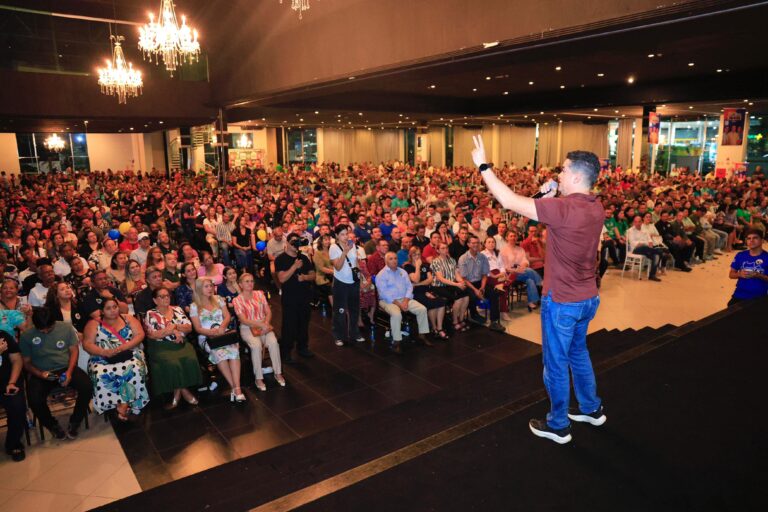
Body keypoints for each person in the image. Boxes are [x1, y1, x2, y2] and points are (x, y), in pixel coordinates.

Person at [473, 136, 606, 444]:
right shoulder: (596, 207)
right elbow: (543, 210)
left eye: (563, 170)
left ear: (574, 176)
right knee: (579, 352)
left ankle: (558, 424)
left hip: (562, 300)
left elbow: (507, 202)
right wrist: (544, 196)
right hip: (588, 296)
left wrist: (483, 165)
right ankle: (591, 408)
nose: (558, 174)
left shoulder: (562, 209)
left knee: (556, 364)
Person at [20, 307, 92, 440]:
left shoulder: (65, 328)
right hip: (41, 371)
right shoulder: (26, 336)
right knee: (34, 398)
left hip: (65, 367)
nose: (46, 332)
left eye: (49, 328)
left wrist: (69, 372)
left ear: (54, 322)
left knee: (87, 386)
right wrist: (40, 374)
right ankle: (52, 425)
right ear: (35, 325)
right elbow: (26, 363)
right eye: (42, 330)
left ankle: (75, 421)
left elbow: (74, 351)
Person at [82, 298, 149, 421]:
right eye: (108, 308)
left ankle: (124, 404)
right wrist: (105, 352)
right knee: (99, 372)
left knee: (135, 367)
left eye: (115, 307)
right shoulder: (94, 323)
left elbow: (140, 335)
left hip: (129, 352)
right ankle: (116, 403)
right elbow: (87, 344)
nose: (113, 311)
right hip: (102, 356)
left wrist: (125, 346)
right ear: (102, 311)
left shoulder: (127, 318)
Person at [144, 287, 201, 408]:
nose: (166, 298)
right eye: (162, 296)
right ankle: (183, 391)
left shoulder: (177, 309)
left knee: (190, 358)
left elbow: (189, 327)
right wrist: (173, 331)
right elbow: (154, 335)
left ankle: (178, 392)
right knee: (173, 363)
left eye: (167, 296)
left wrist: (174, 326)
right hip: (161, 346)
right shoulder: (151, 313)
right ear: (155, 300)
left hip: (181, 344)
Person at [190, 278, 245, 403]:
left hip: (223, 333)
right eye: (206, 286)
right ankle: (236, 389)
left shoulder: (219, 299)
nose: (210, 288)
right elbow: (198, 328)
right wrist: (211, 332)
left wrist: (221, 328)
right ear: (199, 289)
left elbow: (227, 316)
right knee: (220, 353)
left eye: (211, 285)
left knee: (233, 351)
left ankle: (236, 388)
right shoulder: (194, 307)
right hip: (207, 337)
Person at [233, 273, 285, 390]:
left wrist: (266, 324)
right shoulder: (237, 300)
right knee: (256, 346)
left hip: (264, 324)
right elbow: (243, 320)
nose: (250, 283)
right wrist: (261, 324)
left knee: (273, 343)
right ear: (240, 284)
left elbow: (268, 311)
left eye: (251, 281)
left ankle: (278, 373)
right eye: (247, 281)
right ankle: (258, 378)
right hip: (248, 328)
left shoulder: (259, 294)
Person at [376, 252, 433, 354]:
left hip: (404, 299)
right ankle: (397, 342)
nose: (394, 261)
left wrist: (406, 300)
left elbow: (409, 286)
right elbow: (385, 294)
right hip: (388, 301)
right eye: (391, 259)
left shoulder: (402, 271)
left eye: (395, 258)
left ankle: (422, 335)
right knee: (397, 314)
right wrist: (400, 304)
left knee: (422, 309)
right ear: (386, 261)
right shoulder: (381, 275)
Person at [275, 233, 316, 362]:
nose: (295, 244)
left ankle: (302, 347)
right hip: (290, 298)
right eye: (293, 241)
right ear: (286, 243)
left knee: (303, 323)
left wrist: (304, 277)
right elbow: (282, 278)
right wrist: (294, 267)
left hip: (304, 296)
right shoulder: (281, 259)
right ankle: (286, 352)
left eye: (297, 241)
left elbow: (313, 275)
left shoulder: (304, 257)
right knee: (289, 325)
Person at [458, 235, 505, 332]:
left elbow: (485, 274)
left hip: (480, 282)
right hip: (468, 283)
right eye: (473, 243)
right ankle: (473, 313)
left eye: (477, 243)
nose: (476, 245)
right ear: (468, 244)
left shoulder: (482, 257)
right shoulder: (463, 258)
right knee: (472, 295)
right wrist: (476, 290)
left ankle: (494, 321)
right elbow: (464, 278)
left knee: (493, 294)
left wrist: (482, 287)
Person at [329, 224, 366, 346]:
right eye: (342, 234)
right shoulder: (334, 247)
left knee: (354, 309)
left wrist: (360, 278)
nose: (346, 237)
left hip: (353, 282)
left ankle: (354, 333)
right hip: (341, 282)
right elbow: (338, 267)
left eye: (347, 233)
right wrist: (344, 252)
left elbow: (356, 262)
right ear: (337, 236)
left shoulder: (352, 244)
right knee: (339, 310)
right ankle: (338, 336)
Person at [404, 246, 448, 340]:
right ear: (410, 256)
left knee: (441, 302)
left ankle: (439, 328)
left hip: (426, 290)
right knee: (432, 303)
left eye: (419, 254)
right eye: (414, 254)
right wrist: (417, 267)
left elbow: (430, 280)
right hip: (414, 293)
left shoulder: (425, 265)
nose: (417, 257)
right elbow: (415, 279)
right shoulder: (407, 266)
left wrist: (418, 284)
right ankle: (434, 328)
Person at [0, 329, 26, 461]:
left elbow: (17, 360)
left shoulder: (3, 336)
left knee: (17, 406)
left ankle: (13, 443)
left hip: (7, 381)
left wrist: (12, 382)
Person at [728, 229, 768, 306]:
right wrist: (739, 274)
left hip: (759, 298)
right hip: (739, 295)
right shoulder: (740, 255)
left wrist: (759, 275)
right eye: (749, 238)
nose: (751, 240)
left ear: (762, 240)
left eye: (755, 238)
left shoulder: (767, 257)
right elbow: (731, 274)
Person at [626, 215, 665, 282]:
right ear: (633, 223)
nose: (637, 223)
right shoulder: (630, 231)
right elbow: (634, 243)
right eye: (636, 222)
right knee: (646, 248)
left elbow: (650, 241)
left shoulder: (645, 230)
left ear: (641, 222)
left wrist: (645, 243)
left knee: (656, 256)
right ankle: (659, 252)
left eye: (639, 221)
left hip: (646, 249)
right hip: (635, 250)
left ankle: (652, 275)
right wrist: (645, 243)